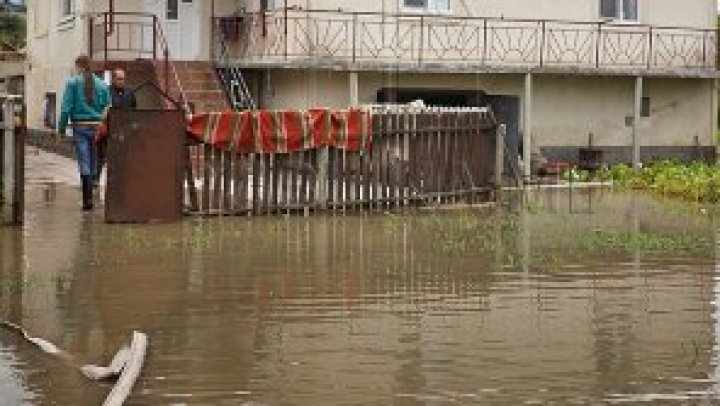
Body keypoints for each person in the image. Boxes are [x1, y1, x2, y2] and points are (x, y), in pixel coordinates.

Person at [58, 55, 110, 211]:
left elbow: (66, 108)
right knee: (94, 161)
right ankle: (91, 195)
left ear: (79, 67)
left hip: (80, 127)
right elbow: (108, 107)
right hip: (97, 127)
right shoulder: (102, 84)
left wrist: (61, 129)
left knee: (84, 161)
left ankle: (87, 200)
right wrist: (102, 123)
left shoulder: (72, 83)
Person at [95, 68, 136, 187]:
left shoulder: (130, 92)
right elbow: (101, 109)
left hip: (123, 130)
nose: (121, 81)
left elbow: (134, 109)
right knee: (101, 156)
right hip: (108, 129)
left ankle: (120, 180)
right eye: (119, 79)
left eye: (123, 79)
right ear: (113, 79)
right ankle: (96, 179)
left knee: (121, 157)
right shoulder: (106, 91)